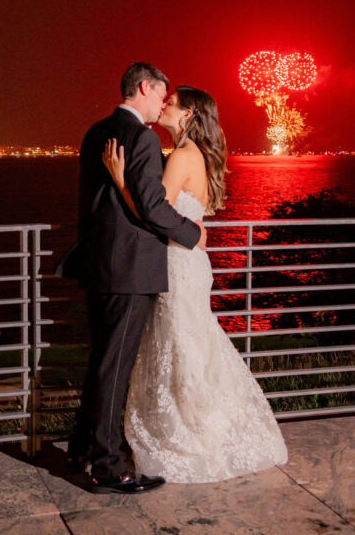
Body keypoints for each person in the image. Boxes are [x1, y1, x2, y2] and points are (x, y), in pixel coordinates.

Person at [102, 85, 288, 483]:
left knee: (180, 347)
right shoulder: (196, 156)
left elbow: (153, 213)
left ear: (187, 115)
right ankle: (207, 427)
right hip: (190, 263)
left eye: (170, 104)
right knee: (189, 345)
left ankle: (191, 435)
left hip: (177, 264)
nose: (163, 106)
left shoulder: (181, 157)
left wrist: (120, 181)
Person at [65, 62, 206, 495]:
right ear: (143, 87)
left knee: (101, 361)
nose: (163, 103)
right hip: (128, 269)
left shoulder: (94, 132)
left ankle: (81, 447)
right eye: (161, 95)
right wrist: (191, 232)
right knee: (114, 366)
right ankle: (108, 466)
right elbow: (151, 206)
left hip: (98, 263)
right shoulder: (141, 136)